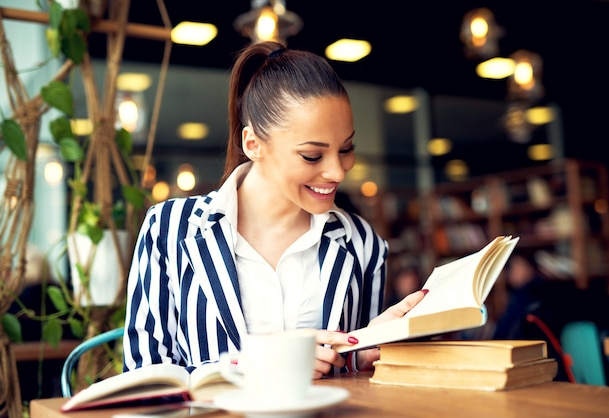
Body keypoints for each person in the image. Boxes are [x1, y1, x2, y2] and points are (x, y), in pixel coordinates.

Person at [122, 41, 428, 379]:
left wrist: (368, 349)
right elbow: (144, 377)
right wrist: (259, 365)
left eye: (346, 149)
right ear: (253, 144)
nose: (338, 172)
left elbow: (355, 383)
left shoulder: (362, 243)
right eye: (312, 155)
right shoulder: (170, 230)